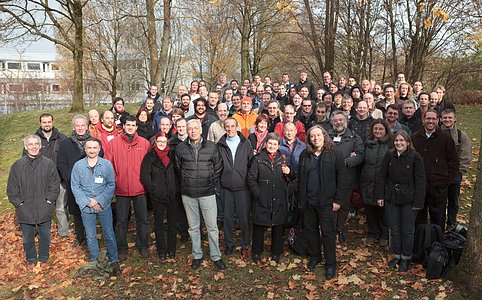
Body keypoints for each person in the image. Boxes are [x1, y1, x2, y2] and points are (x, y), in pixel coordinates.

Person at [175, 119, 226, 270]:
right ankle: (197, 254)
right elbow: (178, 168)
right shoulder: (180, 148)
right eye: (190, 129)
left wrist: (210, 181)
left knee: (212, 227)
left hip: (207, 192)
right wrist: (186, 182)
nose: (193, 131)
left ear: (200, 130)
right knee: (194, 227)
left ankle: (216, 256)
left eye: (195, 128)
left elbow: (218, 167)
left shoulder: (211, 147)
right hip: (188, 193)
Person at [297, 126, 345, 279]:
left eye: (318, 135)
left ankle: (331, 264)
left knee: (328, 233)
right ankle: (315, 256)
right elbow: (301, 178)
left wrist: (338, 200)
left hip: (327, 202)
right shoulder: (305, 154)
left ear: (324, 136)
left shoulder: (334, 153)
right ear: (309, 139)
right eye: (312, 136)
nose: (316, 138)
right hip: (309, 201)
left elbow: (342, 179)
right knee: (310, 231)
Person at [376, 131, 426, 272]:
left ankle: (406, 258)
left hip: (409, 199)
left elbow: (420, 181)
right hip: (391, 198)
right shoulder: (389, 155)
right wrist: (380, 196)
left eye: (402, 141)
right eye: (397, 140)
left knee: (407, 230)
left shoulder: (415, 157)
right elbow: (382, 176)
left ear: (408, 142)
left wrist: (418, 203)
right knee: (395, 229)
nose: (399, 143)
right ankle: (397, 255)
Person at [70, 137, 121, 275]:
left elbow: (111, 184)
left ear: (99, 149)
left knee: (109, 233)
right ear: (85, 149)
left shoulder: (106, 165)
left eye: (94, 148)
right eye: (89, 148)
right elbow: (75, 186)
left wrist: (99, 201)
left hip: (103, 206)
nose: (92, 150)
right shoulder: (78, 166)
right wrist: (88, 202)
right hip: (86, 207)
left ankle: (114, 259)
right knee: (91, 235)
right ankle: (95, 261)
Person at [8, 135, 60, 266]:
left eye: (36, 144)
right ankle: (31, 259)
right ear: (26, 147)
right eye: (30, 144)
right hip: (25, 207)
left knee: (45, 236)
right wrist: (19, 204)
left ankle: (43, 258)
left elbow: (54, 186)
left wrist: (49, 201)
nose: (34, 147)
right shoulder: (17, 166)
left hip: (44, 206)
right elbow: (12, 189)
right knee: (27, 238)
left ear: (40, 146)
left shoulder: (48, 164)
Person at [104, 115, 151, 260]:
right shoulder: (114, 144)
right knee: (121, 220)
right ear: (123, 126)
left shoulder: (144, 143)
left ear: (137, 127)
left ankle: (142, 245)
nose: (130, 127)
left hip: (140, 188)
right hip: (122, 188)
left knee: (142, 219)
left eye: (133, 125)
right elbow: (108, 165)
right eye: (128, 125)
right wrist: (115, 181)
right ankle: (122, 247)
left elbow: (149, 165)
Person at [412, 109, 459, 229]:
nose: (430, 121)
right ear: (423, 120)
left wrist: (446, 182)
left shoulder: (445, 139)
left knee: (438, 218)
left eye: (433, 119)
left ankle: (437, 244)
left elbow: (454, 162)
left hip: (439, 186)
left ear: (438, 120)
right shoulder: (415, 138)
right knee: (419, 218)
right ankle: (420, 243)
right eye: (428, 118)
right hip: (419, 186)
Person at [248, 133, 290, 263]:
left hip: (278, 197)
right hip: (262, 196)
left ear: (278, 146)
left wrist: (289, 172)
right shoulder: (258, 159)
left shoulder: (282, 158)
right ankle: (256, 251)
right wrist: (258, 193)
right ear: (265, 144)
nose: (272, 146)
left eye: (275, 144)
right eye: (270, 143)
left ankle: (276, 252)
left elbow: (289, 177)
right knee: (259, 226)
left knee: (277, 226)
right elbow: (251, 178)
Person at [26, 113, 68, 237]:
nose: (47, 124)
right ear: (40, 123)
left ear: (52, 122)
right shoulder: (33, 139)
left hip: (59, 179)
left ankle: (64, 232)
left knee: (61, 207)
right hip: (41, 181)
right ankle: (43, 232)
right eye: (44, 122)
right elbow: (26, 159)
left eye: (49, 122)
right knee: (42, 207)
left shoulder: (62, 138)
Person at [217, 118, 253, 258]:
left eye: (233, 126)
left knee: (244, 218)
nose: (230, 129)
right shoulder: (220, 145)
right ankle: (229, 243)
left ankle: (245, 244)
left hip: (243, 187)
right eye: (228, 127)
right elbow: (217, 165)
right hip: (226, 186)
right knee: (227, 217)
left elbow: (251, 164)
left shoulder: (246, 143)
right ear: (224, 128)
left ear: (237, 127)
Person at [140, 132, 179, 260]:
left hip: (172, 194)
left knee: (172, 223)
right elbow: (145, 176)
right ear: (155, 142)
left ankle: (171, 249)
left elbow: (178, 172)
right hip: (157, 195)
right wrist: (153, 189)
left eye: (164, 141)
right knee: (159, 223)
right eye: (159, 141)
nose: (162, 143)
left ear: (167, 142)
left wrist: (176, 188)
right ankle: (161, 250)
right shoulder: (150, 156)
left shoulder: (172, 154)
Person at [328, 111, 364, 243]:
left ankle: (340, 229)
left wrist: (346, 162)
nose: (338, 122)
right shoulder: (328, 136)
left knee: (344, 205)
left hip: (347, 177)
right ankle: (330, 229)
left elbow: (360, 155)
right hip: (330, 177)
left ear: (346, 121)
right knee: (330, 205)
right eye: (335, 120)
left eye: (340, 120)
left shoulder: (355, 137)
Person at [57, 115, 92, 249]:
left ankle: (91, 237)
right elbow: (61, 163)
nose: (80, 128)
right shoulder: (65, 143)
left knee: (89, 210)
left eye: (83, 125)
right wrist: (69, 178)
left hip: (90, 184)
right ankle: (80, 237)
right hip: (73, 183)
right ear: (73, 127)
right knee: (76, 212)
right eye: (78, 125)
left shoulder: (93, 142)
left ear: (87, 126)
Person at [360, 120, 392, 247]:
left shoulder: (390, 145)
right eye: (376, 129)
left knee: (383, 210)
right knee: (370, 209)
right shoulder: (367, 144)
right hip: (368, 181)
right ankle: (372, 233)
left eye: (381, 129)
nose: (378, 131)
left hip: (383, 182)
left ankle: (384, 234)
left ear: (385, 130)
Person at [440, 109, 472, 230]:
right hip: (440, 174)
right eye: (445, 118)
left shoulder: (461, 135)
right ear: (441, 119)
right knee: (440, 200)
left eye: (450, 118)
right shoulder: (436, 133)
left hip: (455, 174)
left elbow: (465, 155)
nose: (447, 120)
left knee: (453, 200)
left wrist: (459, 172)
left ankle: (451, 223)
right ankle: (439, 222)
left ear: (454, 119)